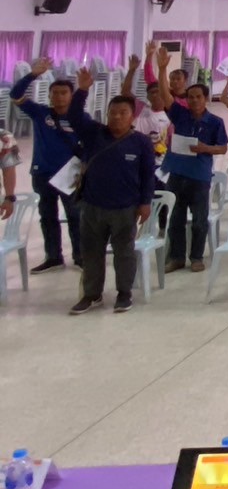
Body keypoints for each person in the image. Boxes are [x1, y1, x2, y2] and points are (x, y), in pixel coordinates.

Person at [63, 80, 156, 315]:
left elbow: (148, 175)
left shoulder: (141, 142)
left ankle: (124, 293)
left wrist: (145, 202)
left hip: (125, 207)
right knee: (91, 252)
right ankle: (92, 294)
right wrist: (83, 90)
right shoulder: (94, 134)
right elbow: (73, 115)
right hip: (93, 206)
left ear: (132, 116)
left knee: (124, 252)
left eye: (122, 113)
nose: (116, 117)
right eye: (112, 112)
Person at [8, 57, 88, 272]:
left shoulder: (80, 118)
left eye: (64, 93)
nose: (59, 96)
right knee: (47, 216)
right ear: (49, 95)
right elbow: (15, 94)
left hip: (70, 175)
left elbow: (91, 144)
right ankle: (53, 256)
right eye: (55, 93)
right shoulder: (40, 113)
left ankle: (80, 255)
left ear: (71, 96)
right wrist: (33, 75)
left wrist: (85, 168)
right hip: (42, 173)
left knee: (75, 215)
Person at [155, 45, 228, 274]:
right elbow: (165, 96)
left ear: (206, 99)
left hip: (199, 176)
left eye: (199, 97)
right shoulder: (180, 115)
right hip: (177, 173)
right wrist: (162, 70)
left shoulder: (215, 122)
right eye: (191, 97)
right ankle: (176, 257)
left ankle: (196, 256)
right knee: (175, 219)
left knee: (199, 219)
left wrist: (206, 148)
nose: (195, 101)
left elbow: (223, 148)